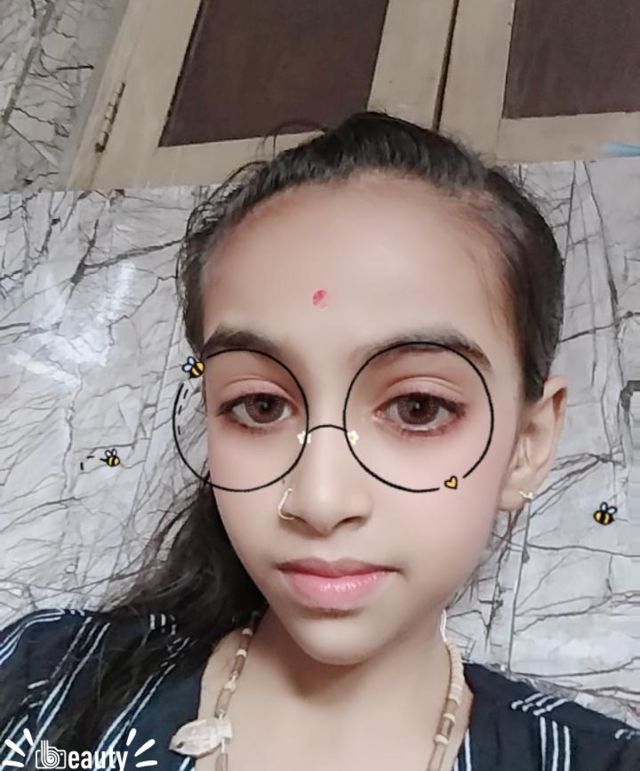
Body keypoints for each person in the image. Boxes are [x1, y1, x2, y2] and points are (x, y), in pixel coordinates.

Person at [1, 111, 638, 771]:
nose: (321, 500)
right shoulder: (39, 683)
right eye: (260, 404)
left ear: (527, 444)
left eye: (418, 407)